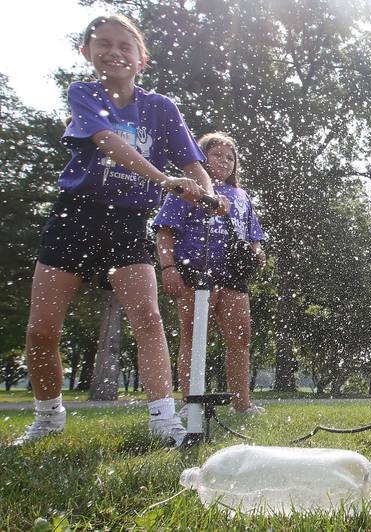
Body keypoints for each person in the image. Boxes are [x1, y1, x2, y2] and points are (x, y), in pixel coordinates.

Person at [14, 14, 228, 447]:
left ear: (141, 58)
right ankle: (48, 418)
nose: (114, 52)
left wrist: (208, 196)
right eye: (103, 44)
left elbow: (194, 165)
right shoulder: (84, 94)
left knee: (148, 319)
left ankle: (162, 419)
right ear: (87, 53)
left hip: (127, 222)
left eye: (124, 46)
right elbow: (111, 142)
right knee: (41, 330)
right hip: (75, 216)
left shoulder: (161, 108)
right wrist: (164, 181)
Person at [154, 133, 267, 415]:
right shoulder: (187, 189)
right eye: (217, 155)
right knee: (193, 337)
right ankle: (190, 405)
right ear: (202, 158)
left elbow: (253, 235)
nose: (225, 162)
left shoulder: (242, 196)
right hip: (194, 270)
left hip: (233, 273)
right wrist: (168, 268)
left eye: (230, 158)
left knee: (240, 338)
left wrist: (257, 251)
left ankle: (241, 405)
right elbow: (165, 231)